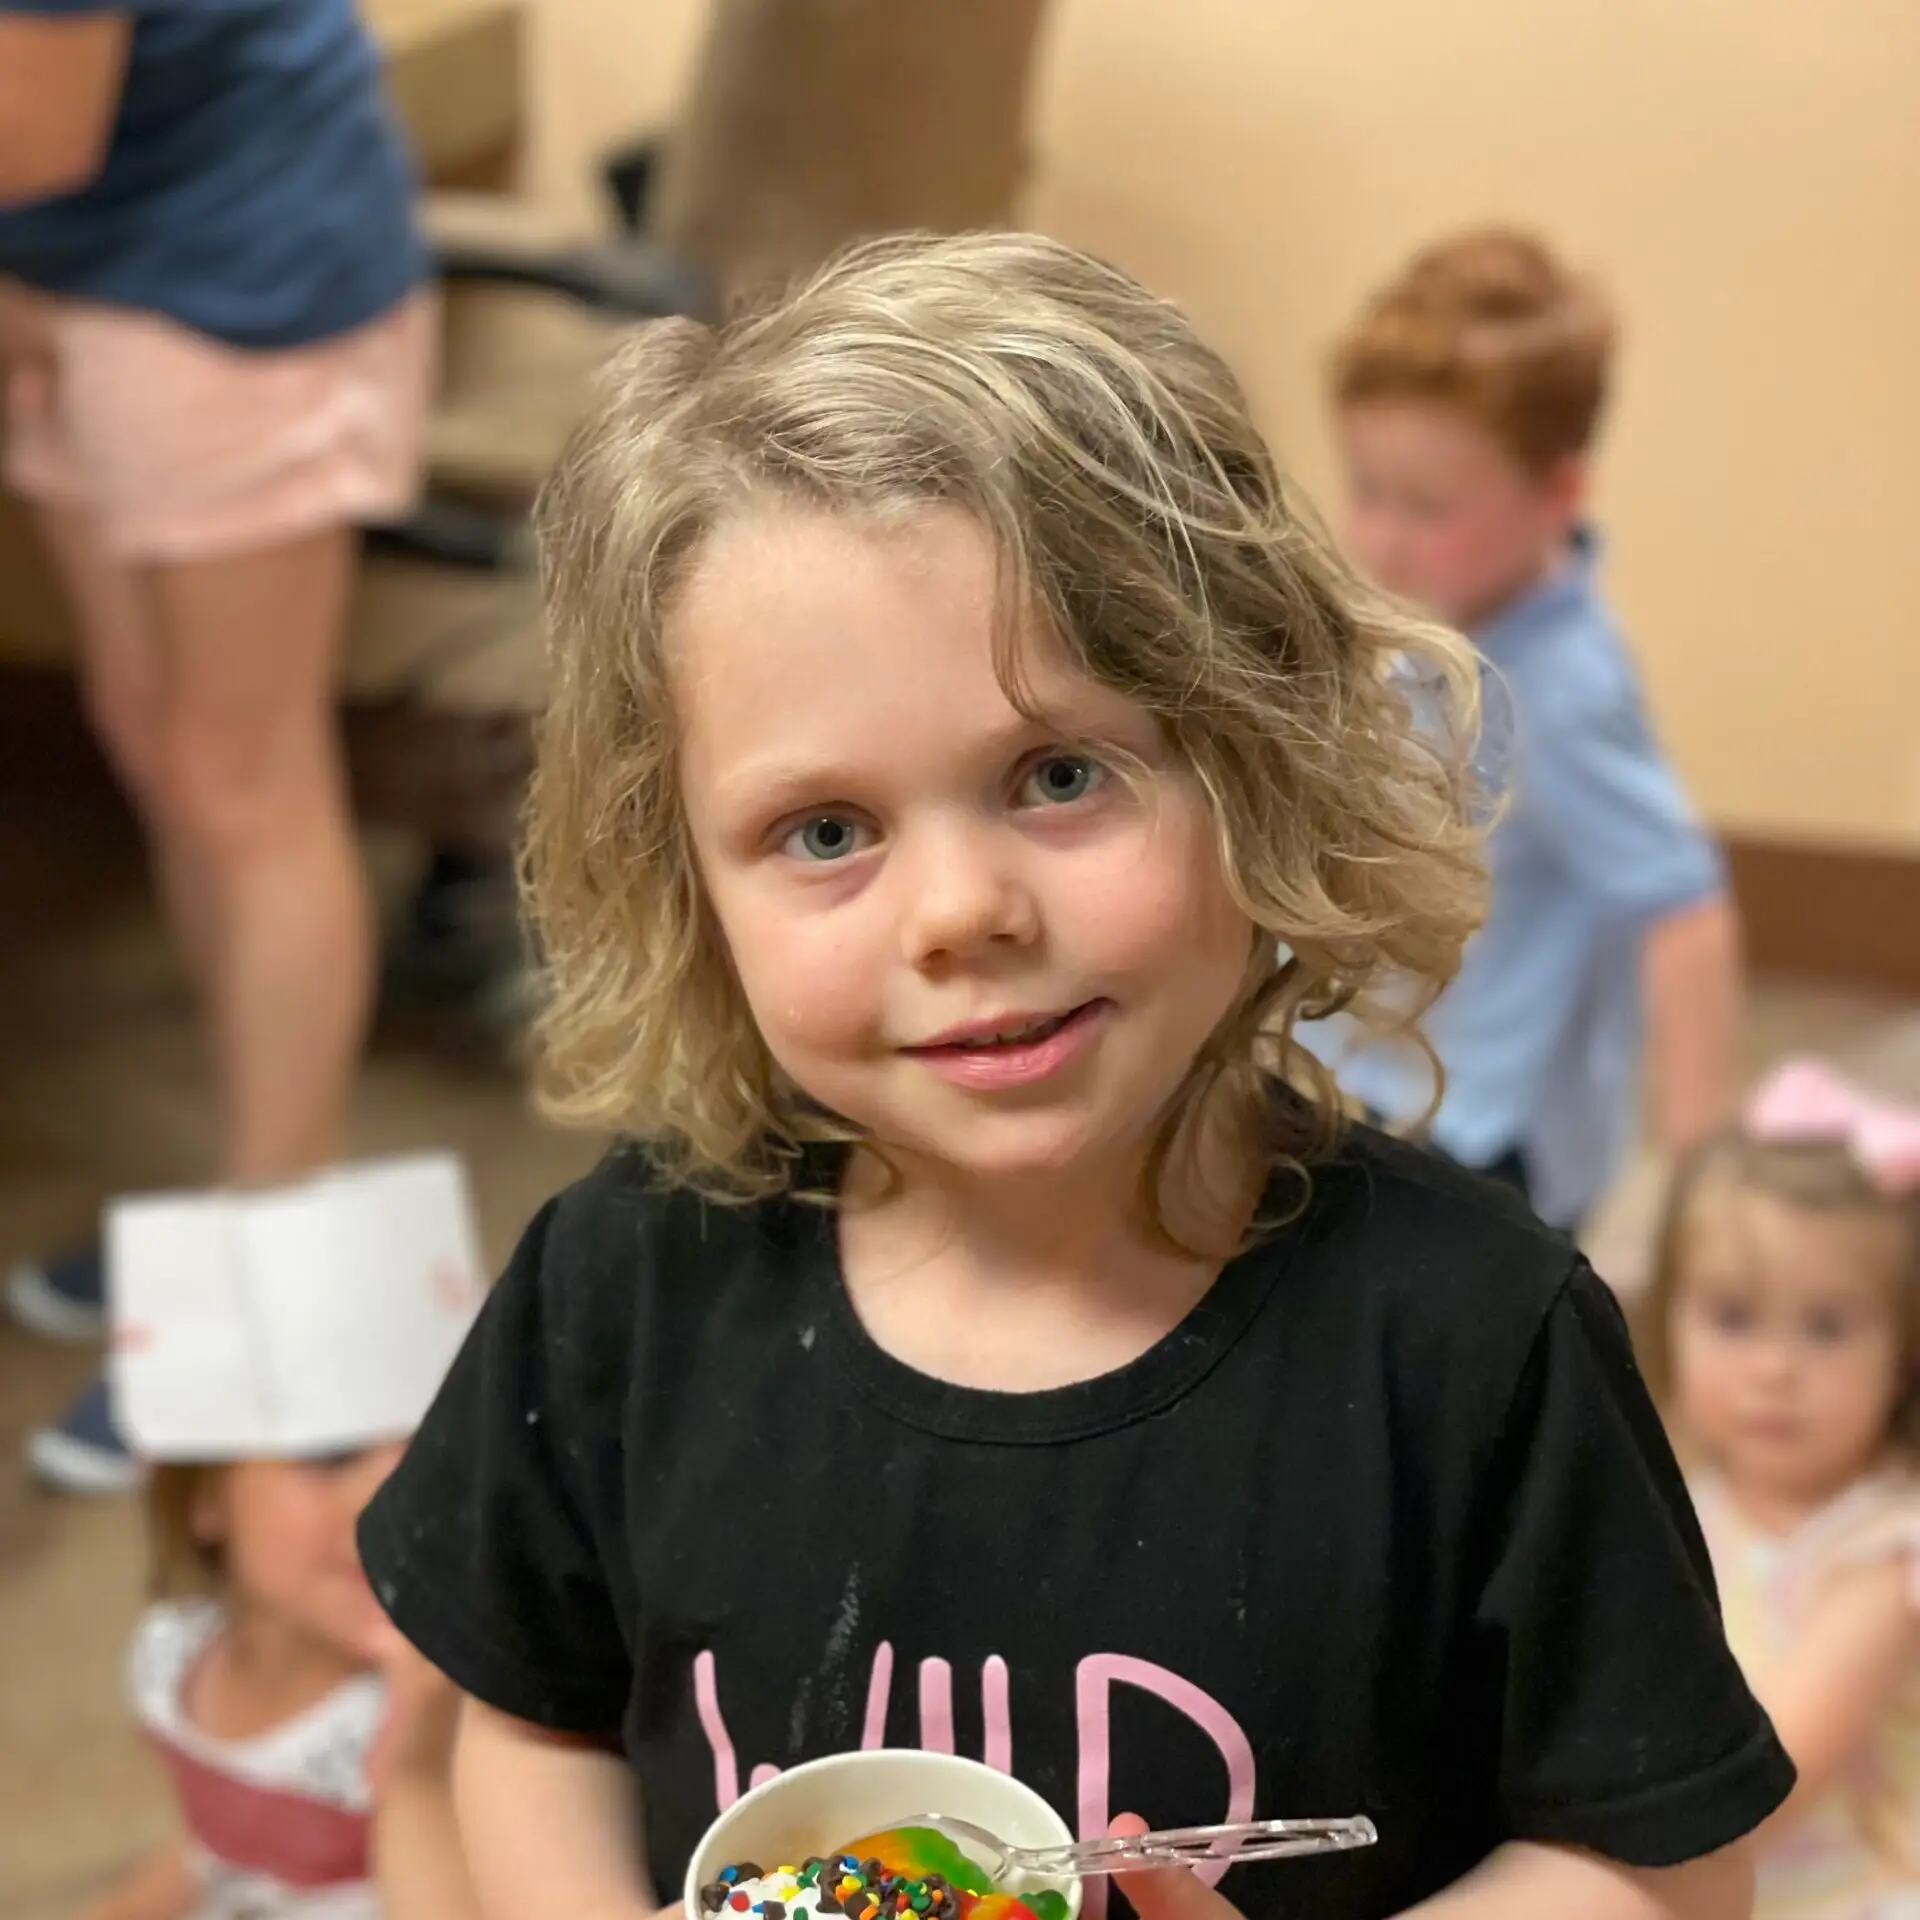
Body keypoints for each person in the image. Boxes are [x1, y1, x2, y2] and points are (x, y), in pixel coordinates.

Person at [358, 232, 1790, 1920]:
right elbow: (526, 1726)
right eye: (826, 831)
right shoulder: (622, 1285)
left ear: (1253, 759)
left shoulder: (1479, 1343)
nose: (963, 912)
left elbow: (1666, 1865)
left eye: (1054, 774)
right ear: (688, 882)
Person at [0, 0, 435, 1490]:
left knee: (250, 786)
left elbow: (29, 125)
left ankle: (271, 1292)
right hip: (73, 257)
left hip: (230, 270)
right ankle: (234, 1227)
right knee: (168, 751)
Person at [1321, 228, 1742, 1234]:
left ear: (1559, 493)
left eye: (1424, 506)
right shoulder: (1449, 615)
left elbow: (1685, 914)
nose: (1381, 537)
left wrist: (1703, 1183)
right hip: (1384, 1072)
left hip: (1481, 1132)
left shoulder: (1561, 687)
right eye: (1367, 489)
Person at [83, 1156, 485, 1920]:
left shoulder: (459, 1720)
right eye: (331, 1455)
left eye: (431, 1452)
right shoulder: (172, 1663)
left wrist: (419, 1756)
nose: (395, 1497)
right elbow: (222, 1847)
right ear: (203, 1499)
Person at [1633, 1058, 1920, 1920]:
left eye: (1827, 1328)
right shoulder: (1679, 1489)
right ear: (1668, 1316)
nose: (1773, 1369)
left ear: (1903, 1355)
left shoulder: (1883, 1555)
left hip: (1830, 1892)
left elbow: (1770, 1777)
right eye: (1732, 1316)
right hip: (1686, 1860)